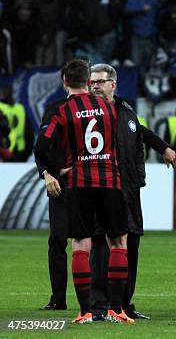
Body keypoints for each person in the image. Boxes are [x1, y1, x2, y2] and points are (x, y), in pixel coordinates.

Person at [34, 59, 133, 324]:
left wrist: (57, 169)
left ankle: (85, 311)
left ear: (65, 81)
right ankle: (116, 309)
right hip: (109, 181)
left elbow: (41, 147)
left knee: (80, 245)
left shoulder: (62, 111)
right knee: (118, 243)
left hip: (78, 183)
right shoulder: (110, 108)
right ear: (89, 82)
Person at [88, 63, 176, 321]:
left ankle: (124, 304)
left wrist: (164, 148)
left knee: (132, 245)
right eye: (92, 81)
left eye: (100, 81)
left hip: (128, 188)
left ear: (113, 85)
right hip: (100, 188)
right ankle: (99, 306)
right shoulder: (86, 113)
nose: (94, 85)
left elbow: (142, 132)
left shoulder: (126, 110)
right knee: (101, 246)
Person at [36, 94, 70, 311]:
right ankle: (58, 299)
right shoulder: (55, 108)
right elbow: (40, 147)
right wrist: (47, 173)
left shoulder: (103, 107)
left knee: (97, 241)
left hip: (89, 183)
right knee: (57, 241)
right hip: (61, 184)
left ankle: (99, 302)